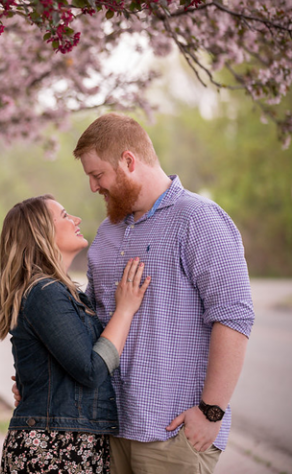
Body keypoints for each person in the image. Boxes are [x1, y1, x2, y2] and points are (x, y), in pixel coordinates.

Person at [69, 112, 253, 474]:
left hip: (171, 433)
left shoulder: (198, 219)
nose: (93, 187)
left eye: (97, 174)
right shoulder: (107, 233)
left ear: (128, 161)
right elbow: (92, 325)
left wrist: (210, 411)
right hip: (111, 428)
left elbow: (233, 316)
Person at [0, 195, 151, 473]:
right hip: (54, 449)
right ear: (41, 232)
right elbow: (90, 371)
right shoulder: (46, 293)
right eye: (65, 216)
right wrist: (125, 311)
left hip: (66, 442)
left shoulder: (61, 292)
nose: (76, 220)